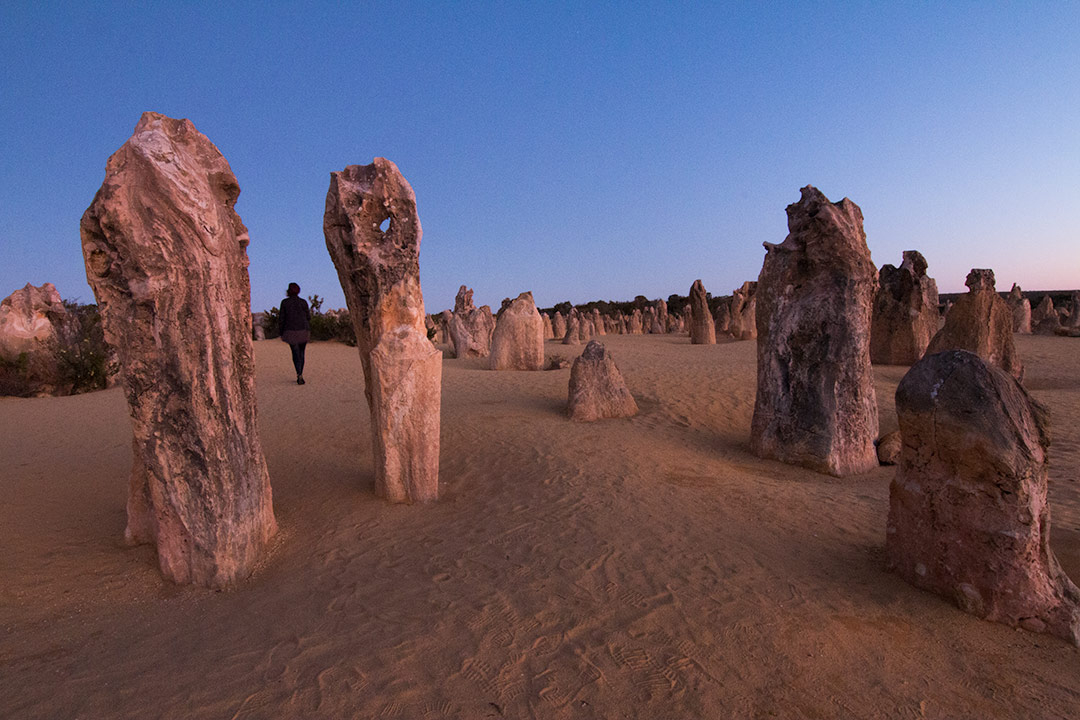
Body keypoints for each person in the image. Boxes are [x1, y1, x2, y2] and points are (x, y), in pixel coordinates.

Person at [279, 283, 311, 385]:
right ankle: (300, 373)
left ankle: (298, 374)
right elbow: (308, 317)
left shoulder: (285, 303)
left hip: (290, 331)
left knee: (295, 353)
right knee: (302, 353)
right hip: (303, 330)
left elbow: (282, 319)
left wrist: (281, 332)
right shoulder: (303, 302)